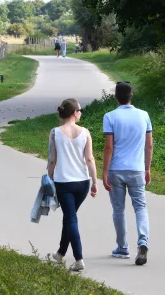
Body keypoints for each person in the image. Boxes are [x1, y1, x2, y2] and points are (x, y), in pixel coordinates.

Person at [102, 82, 153, 266]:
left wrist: (104, 171)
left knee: (118, 209)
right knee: (140, 207)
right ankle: (143, 242)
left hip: (116, 169)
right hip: (137, 169)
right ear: (132, 96)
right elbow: (149, 145)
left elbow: (109, 147)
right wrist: (147, 168)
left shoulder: (110, 117)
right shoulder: (144, 115)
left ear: (116, 97)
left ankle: (122, 248)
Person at [47, 98, 98, 272]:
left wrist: (49, 177)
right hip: (82, 183)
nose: (81, 113)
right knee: (70, 217)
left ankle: (78, 258)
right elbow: (89, 159)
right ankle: (60, 253)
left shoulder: (55, 132)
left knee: (70, 218)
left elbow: (52, 159)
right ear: (75, 112)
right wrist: (94, 182)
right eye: (80, 110)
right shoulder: (85, 132)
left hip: (64, 183)